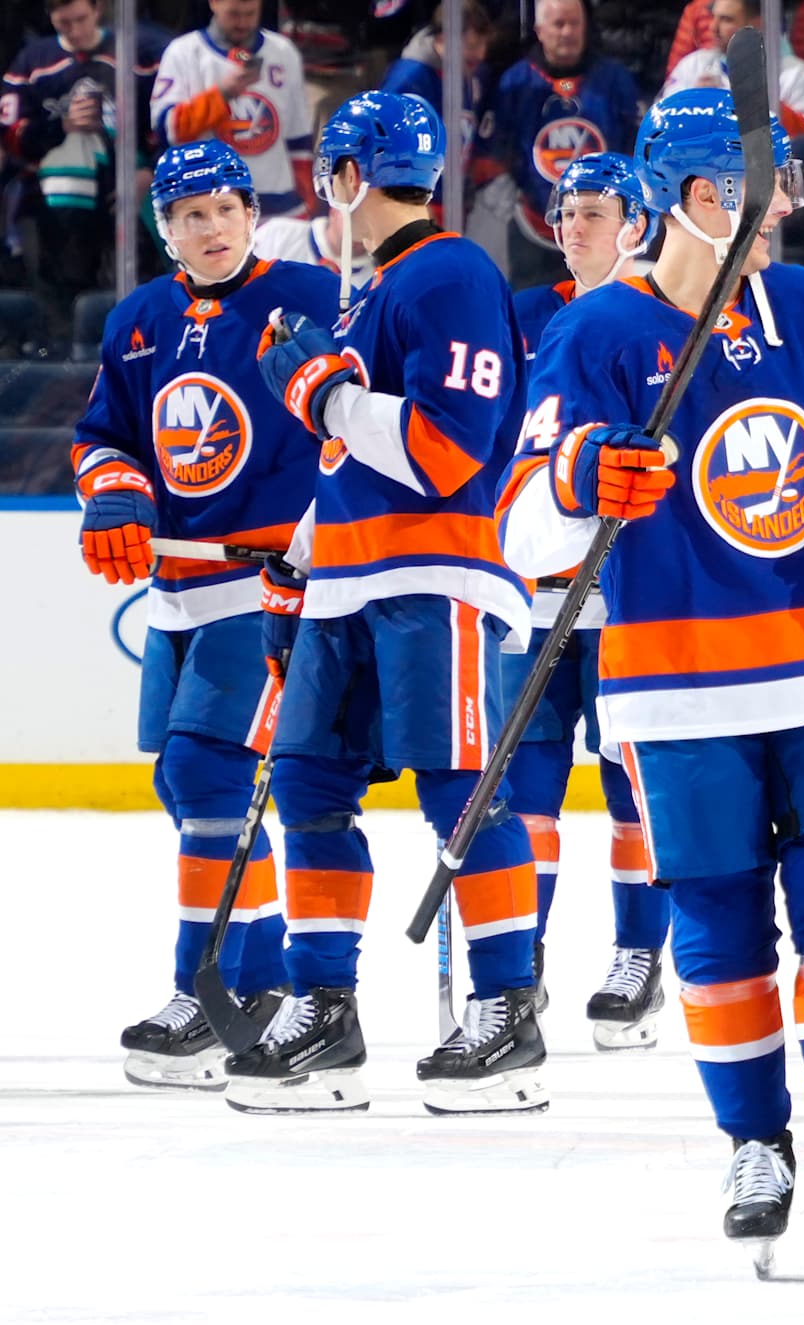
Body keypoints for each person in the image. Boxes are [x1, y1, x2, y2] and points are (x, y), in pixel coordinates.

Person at [497, 88, 804, 1274]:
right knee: (718, 923)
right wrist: (577, 480)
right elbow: (520, 530)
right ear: (690, 196)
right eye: (755, 193)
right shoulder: (600, 334)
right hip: (679, 686)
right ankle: (755, 1143)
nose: (779, 213)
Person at [224, 90, 543, 1117]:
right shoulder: (371, 294)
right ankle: (324, 1005)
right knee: (308, 782)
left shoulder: (450, 272)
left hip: (432, 578)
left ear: (352, 175)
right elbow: (352, 463)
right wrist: (300, 561)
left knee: (458, 790)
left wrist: (320, 393)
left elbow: (446, 451)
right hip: (347, 582)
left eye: (331, 170)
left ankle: (508, 1007)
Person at [71, 140, 340, 1090]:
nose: (213, 227)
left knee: (207, 771)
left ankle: (206, 984)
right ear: (166, 230)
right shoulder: (140, 319)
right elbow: (103, 434)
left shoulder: (309, 296)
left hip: (264, 585)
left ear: (252, 215)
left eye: (227, 208)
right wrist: (115, 491)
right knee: (186, 788)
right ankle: (257, 978)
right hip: (178, 589)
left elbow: (353, 419)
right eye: (192, 215)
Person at [504, 150, 669, 1047]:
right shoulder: (524, 316)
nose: (572, 225)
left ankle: (639, 957)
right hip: (533, 600)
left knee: (630, 790)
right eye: (566, 211)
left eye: (594, 211)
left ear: (638, 224)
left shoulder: (663, 320)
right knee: (525, 791)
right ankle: (519, 958)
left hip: (629, 600)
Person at [2, 0, 165, 327]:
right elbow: (11, 136)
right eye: (64, 23)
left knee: (135, 290)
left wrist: (149, 171)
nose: (74, 31)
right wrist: (59, 127)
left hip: (125, 199)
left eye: (80, 19)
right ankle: (60, 348)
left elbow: (165, 126)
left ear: (97, 10)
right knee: (60, 296)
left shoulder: (139, 55)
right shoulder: (32, 63)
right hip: (54, 208)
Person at [472, 0, 638, 287]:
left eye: (574, 23)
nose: (567, 32)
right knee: (533, 307)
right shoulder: (515, 83)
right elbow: (492, 150)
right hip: (532, 226)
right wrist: (499, 179)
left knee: (601, 306)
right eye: (559, 24)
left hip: (604, 233)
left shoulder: (615, 81)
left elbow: (634, 147)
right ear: (539, 29)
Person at [151, 0, 313, 218]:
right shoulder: (183, 52)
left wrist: (306, 197)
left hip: (280, 205)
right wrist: (222, 93)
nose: (243, 23)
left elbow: (298, 136)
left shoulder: (284, 52)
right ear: (214, 3)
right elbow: (167, 131)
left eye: (250, 14)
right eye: (234, 14)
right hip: (210, 203)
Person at [662, 0, 804, 144]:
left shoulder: (795, 74)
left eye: (726, 20)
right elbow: (660, 126)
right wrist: (694, 105)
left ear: (756, 24)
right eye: (713, 17)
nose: (713, 27)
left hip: (767, 169)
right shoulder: (693, 66)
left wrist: (756, 104)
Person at [380, 0, 495, 167]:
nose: (480, 54)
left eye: (484, 45)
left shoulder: (468, 74)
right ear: (444, 38)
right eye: (472, 45)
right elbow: (386, 145)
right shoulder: (409, 78)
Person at [251, 204, 373, 287]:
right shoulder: (278, 233)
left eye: (370, 220)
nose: (360, 229)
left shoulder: (374, 283)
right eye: (355, 216)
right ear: (334, 210)